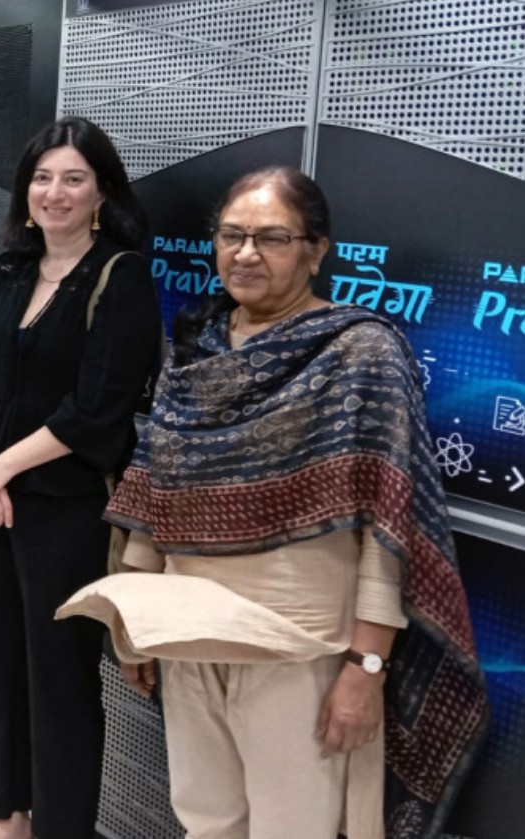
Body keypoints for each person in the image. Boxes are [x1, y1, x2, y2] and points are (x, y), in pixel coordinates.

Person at [58, 167, 488, 838]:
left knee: (295, 826)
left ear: (316, 250)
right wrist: (134, 619)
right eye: (231, 235)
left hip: (298, 646)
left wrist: (365, 667)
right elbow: (158, 486)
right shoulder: (197, 342)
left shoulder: (361, 353)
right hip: (186, 632)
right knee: (206, 816)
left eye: (272, 237)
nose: (246, 253)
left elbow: (389, 525)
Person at [0, 116, 162, 839]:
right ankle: (8, 814)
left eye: (73, 178)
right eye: (42, 177)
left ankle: (61, 827)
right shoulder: (8, 267)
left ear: (102, 190)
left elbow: (97, 411)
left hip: (65, 512)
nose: (54, 192)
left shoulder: (119, 275)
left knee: (60, 682)